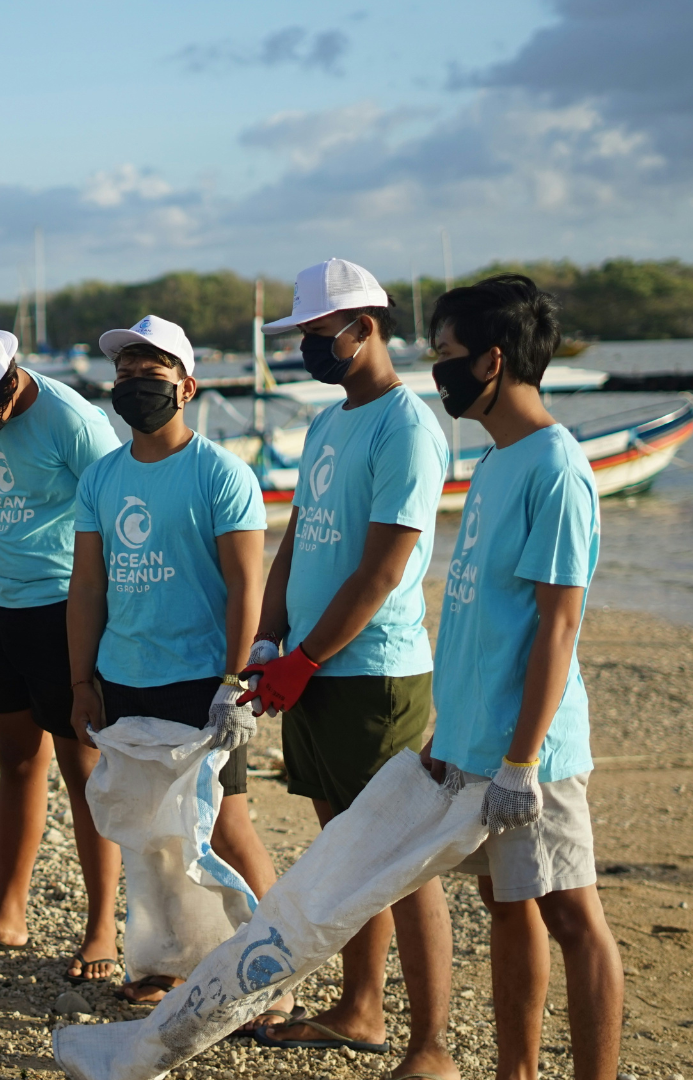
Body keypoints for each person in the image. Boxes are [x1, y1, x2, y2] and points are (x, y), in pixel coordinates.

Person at [238, 259, 459, 1075]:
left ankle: (430, 1044)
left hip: (374, 673)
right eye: (302, 338)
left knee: (398, 858)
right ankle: (361, 1009)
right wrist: (270, 640)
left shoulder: (407, 426)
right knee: (346, 847)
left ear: (365, 328)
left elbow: (385, 566)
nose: (309, 350)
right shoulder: (332, 424)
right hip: (312, 665)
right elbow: (300, 533)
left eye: (318, 335)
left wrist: (307, 656)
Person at [421, 274, 623, 1080]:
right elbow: (481, 615)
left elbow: (558, 624)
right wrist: (455, 730)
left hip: (530, 748)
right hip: (481, 735)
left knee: (572, 913)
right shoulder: (499, 460)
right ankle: (517, 1072)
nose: (437, 373)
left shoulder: (557, 468)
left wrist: (522, 758)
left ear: (493, 360)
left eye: (446, 356)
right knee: (505, 903)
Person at [65, 314, 283, 1011]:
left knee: (224, 825)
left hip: (202, 679)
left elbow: (247, 585)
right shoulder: (101, 477)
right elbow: (88, 586)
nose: (134, 383)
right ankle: (164, 962)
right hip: (125, 676)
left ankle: (279, 968)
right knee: (150, 834)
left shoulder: (220, 473)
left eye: (150, 370)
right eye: (124, 372)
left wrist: (233, 682)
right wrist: (81, 680)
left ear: (186, 386)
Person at [0, 322, 125, 982]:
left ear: (10, 382)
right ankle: (7, 912)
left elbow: (120, 519)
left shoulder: (74, 421)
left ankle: (102, 931)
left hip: (64, 608)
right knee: (15, 761)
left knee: (84, 770)